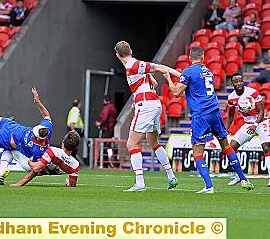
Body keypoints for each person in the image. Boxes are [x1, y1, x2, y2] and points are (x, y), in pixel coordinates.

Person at [163, 46, 254, 193]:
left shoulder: (188, 72)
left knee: (197, 150)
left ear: (189, 58)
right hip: (215, 111)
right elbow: (192, 91)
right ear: (203, 58)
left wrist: (168, 78)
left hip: (201, 115)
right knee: (226, 146)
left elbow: (175, 92)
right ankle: (243, 178)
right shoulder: (208, 72)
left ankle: (208, 186)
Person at [114, 41, 180, 191]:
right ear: (130, 50)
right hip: (154, 103)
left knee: (132, 143)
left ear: (118, 55)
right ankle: (171, 177)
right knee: (153, 142)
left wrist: (181, 75)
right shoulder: (134, 67)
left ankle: (140, 183)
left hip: (145, 104)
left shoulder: (132, 65)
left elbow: (160, 68)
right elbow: (155, 84)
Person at [0, 87, 52, 167]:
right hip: (12, 127)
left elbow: (30, 160)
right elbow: (46, 115)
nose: (32, 131)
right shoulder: (46, 130)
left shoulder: (36, 149)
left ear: (36, 137)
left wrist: (15, 146)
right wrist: (38, 102)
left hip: (6, 139)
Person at [225, 73, 270, 187]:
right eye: (236, 81)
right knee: (232, 147)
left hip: (261, 122)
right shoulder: (231, 98)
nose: (239, 83)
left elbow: (261, 111)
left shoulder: (253, 92)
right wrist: (225, 130)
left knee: (266, 147)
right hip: (248, 124)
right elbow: (230, 117)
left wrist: (256, 124)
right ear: (232, 83)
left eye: (240, 81)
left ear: (243, 82)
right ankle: (239, 175)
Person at [9, 131, 81, 187]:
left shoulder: (54, 152)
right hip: (42, 169)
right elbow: (72, 186)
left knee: (11, 147)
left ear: (63, 142)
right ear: (75, 147)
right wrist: (68, 183)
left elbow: (35, 168)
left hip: (30, 166)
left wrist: (29, 161)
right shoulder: (75, 165)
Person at [96, 95, 118, 168]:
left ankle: (104, 163)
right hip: (111, 129)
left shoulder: (107, 108)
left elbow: (104, 118)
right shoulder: (113, 107)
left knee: (104, 147)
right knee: (109, 146)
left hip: (106, 129)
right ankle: (110, 162)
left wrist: (100, 123)